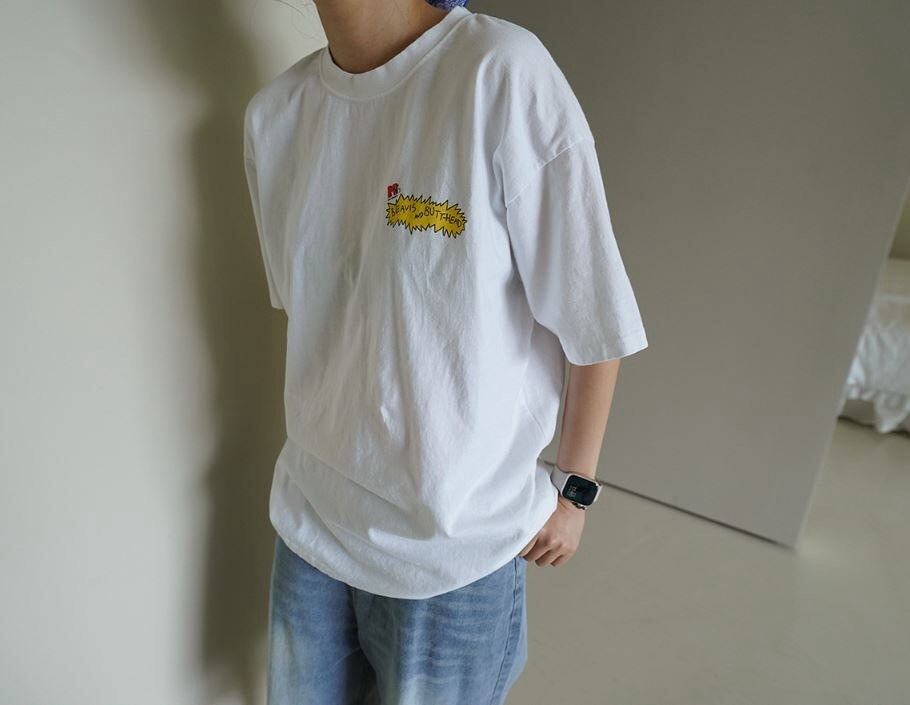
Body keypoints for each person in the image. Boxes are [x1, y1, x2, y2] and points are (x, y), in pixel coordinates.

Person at [242, 1, 648, 703]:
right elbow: (316, 316)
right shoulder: (276, 115)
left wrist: (574, 490)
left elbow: (593, 316)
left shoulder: (499, 73)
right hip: (312, 523)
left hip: (455, 553)